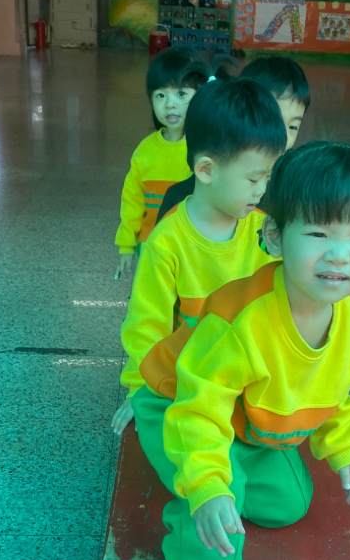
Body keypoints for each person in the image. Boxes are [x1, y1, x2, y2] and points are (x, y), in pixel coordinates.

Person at [134, 142, 350, 560]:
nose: (340, 256)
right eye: (318, 233)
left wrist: (341, 446)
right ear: (273, 236)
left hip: (247, 423)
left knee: (288, 505)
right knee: (214, 507)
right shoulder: (240, 320)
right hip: (177, 404)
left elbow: (335, 390)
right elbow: (199, 408)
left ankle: (234, 475)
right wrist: (209, 486)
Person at [111, 76, 286, 436]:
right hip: (185, 381)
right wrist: (142, 388)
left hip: (244, 383)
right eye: (253, 178)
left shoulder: (265, 232)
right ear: (206, 170)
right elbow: (146, 327)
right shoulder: (167, 242)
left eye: (268, 176)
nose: (262, 189)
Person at [155, 54, 350, 223]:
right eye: (273, 120)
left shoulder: (288, 175)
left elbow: (327, 176)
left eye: (293, 126)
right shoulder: (178, 202)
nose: (282, 137)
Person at [114, 47, 216, 280]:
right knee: (151, 296)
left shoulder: (210, 147)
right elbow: (132, 202)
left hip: (194, 247)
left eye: (181, 94)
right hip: (152, 245)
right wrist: (126, 246)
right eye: (160, 95)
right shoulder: (145, 151)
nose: (170, 104)